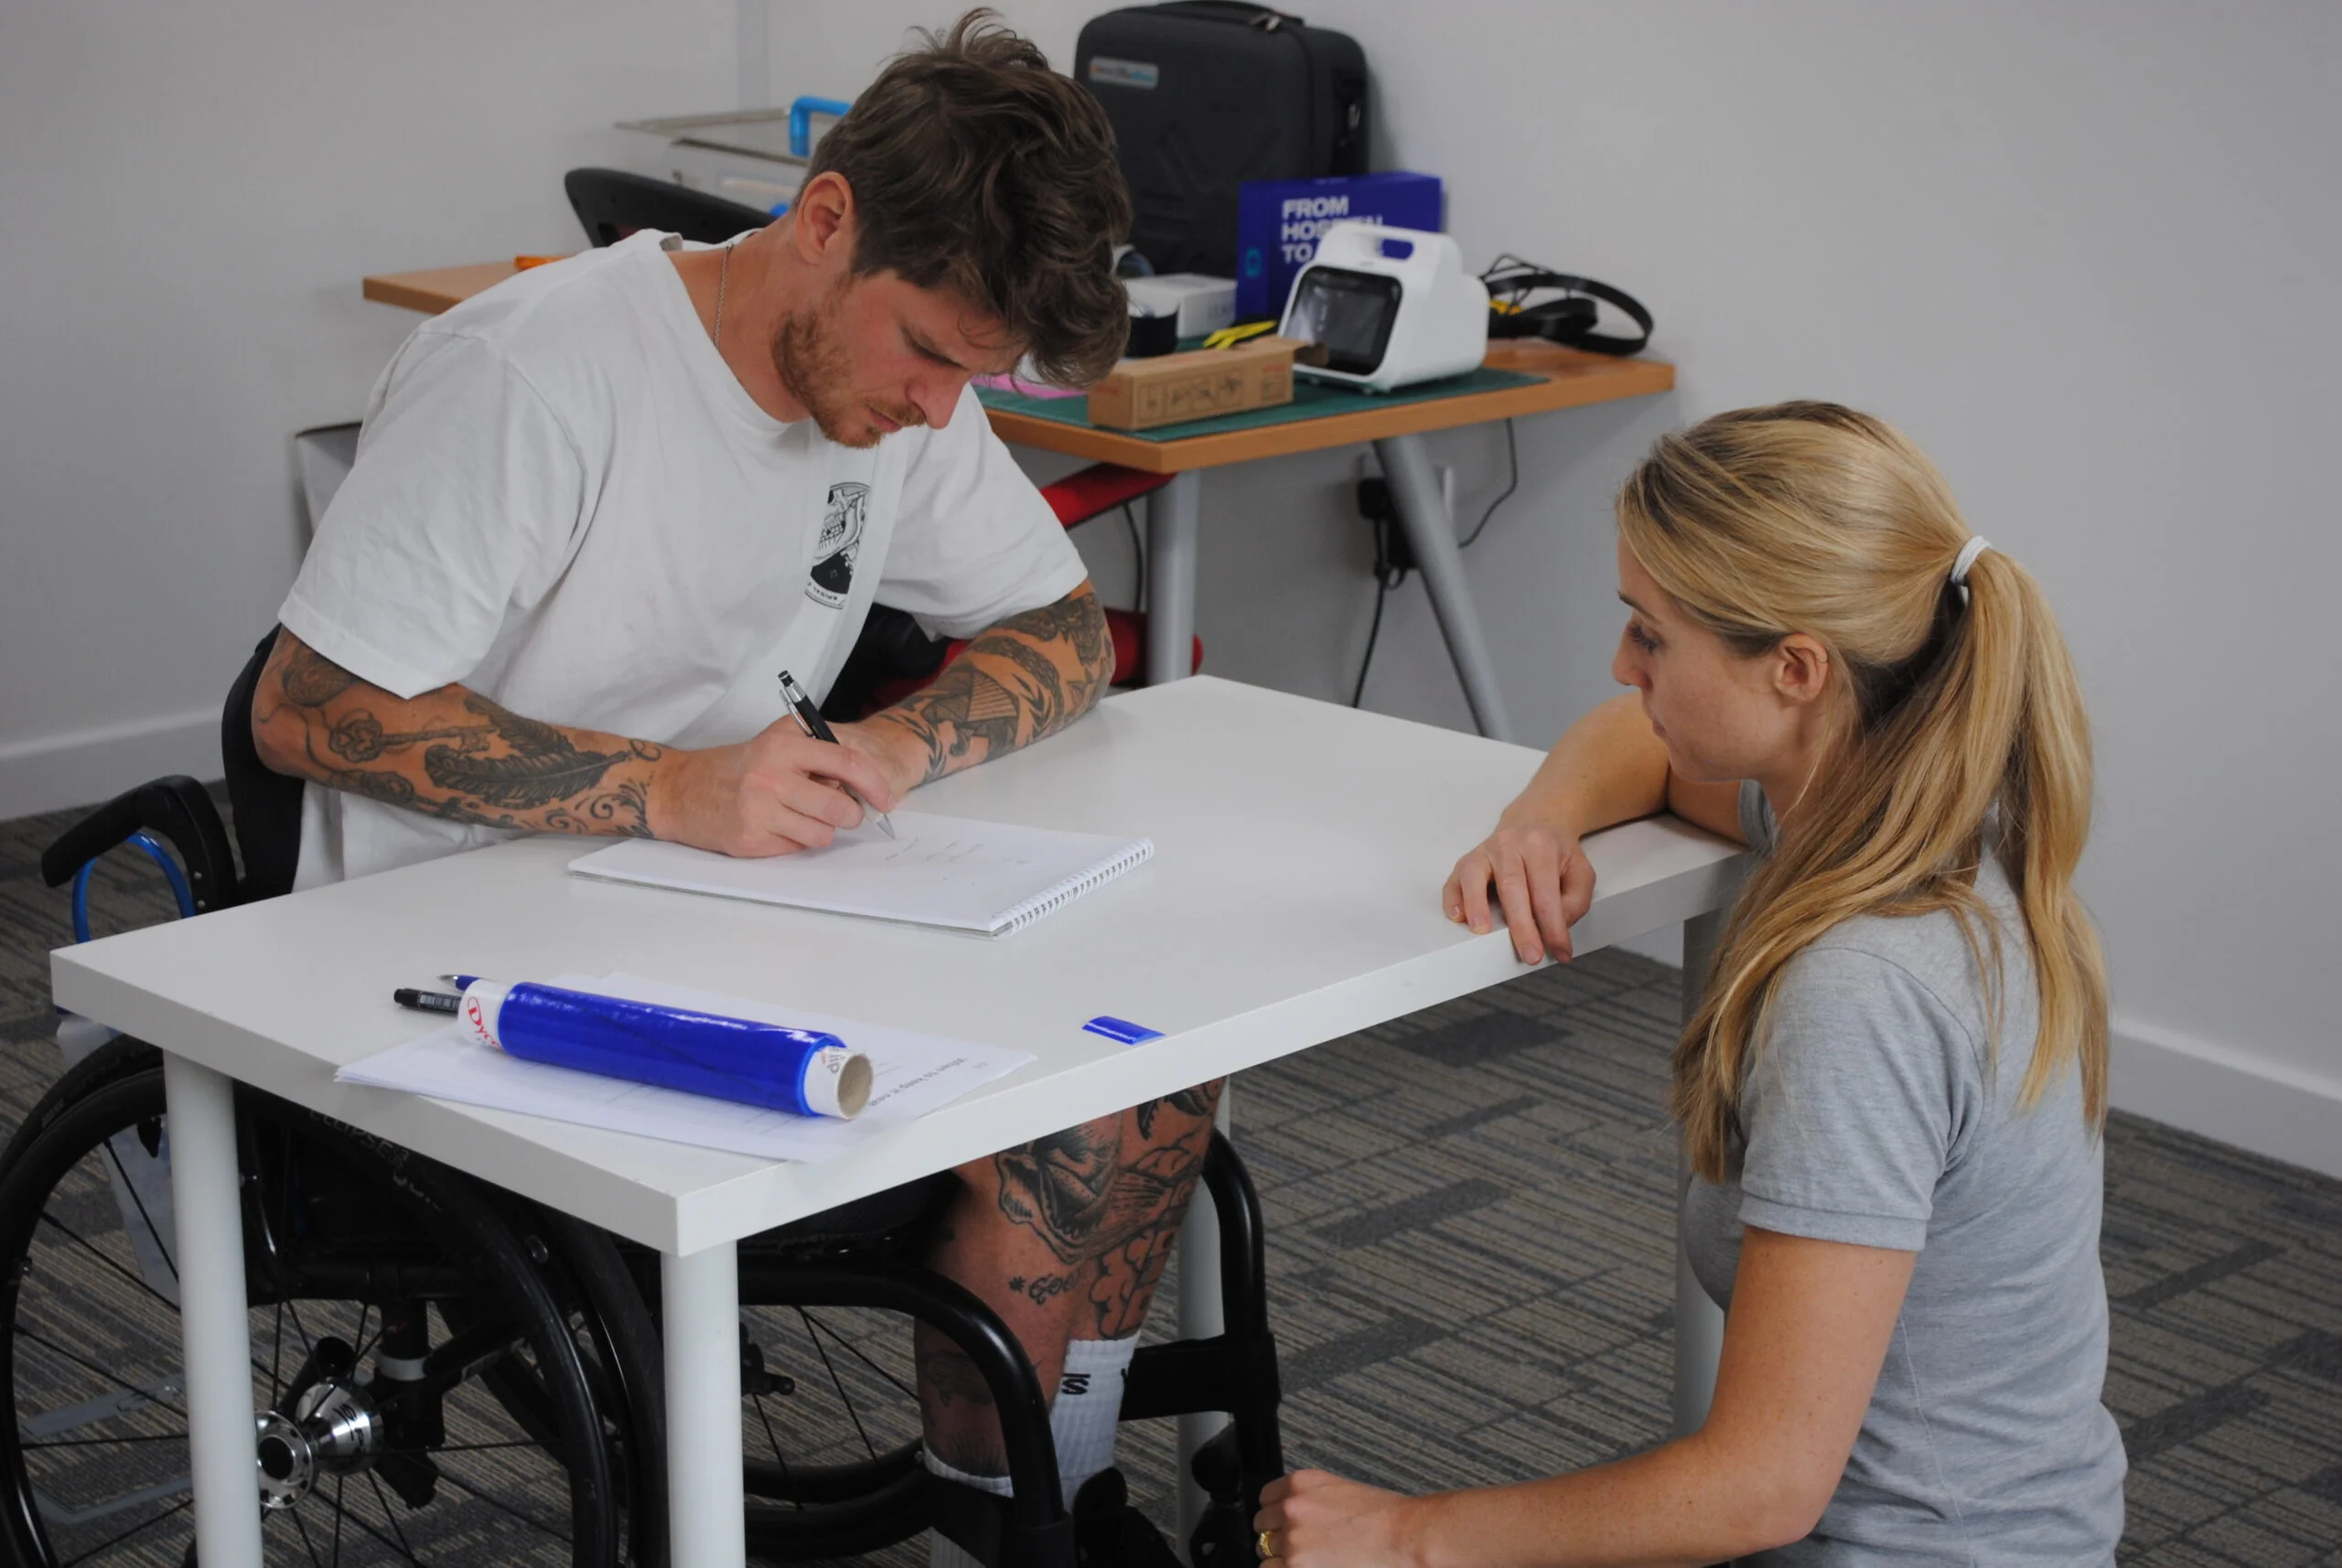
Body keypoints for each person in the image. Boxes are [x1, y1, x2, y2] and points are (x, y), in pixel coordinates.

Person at [252, 14, 1208, 1563]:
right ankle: (1008, 1511)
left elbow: (1055, 628)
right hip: (459, 956)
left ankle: (1038, 1489)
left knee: (1155, 1063)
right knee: (1051, 1116)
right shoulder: (537, 373)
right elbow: (306, 707)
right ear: (822, 220)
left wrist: (900, 745)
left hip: (729, 905)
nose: (935, 413)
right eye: (928, 355)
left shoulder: (898, 390)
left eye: (976, 377)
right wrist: (665, 787)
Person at [1254, 403, 2124, 1565]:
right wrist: (1538, 822)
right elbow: (1638, 739)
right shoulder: (1924, 813)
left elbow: (1759, 1490)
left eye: (1651, 635)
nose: (1623, 664)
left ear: (1796, 669)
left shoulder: (1862, 987)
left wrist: (1408, 1537)